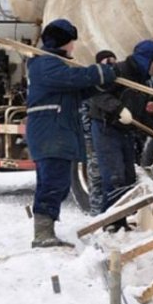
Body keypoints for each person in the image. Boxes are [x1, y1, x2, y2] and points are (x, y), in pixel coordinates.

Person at [26, 18, 116, 248]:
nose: (73, 47)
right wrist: (99, 72)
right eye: (71, 42)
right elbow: (74, 78)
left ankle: (45, 231)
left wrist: (102, 81)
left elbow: (77, 89)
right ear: (63, 42)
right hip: (50, 134)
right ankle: (43, 234)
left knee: (55, 182)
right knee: (53, 182)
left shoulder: (53, 66)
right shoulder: (46, 64)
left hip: (54, 133)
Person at [81, 49, 153, 215]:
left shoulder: (127, 78)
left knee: (125, 176)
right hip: (99, 134)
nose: (110, 63)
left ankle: (121, 217)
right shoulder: (98, 80)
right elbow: (91, 110)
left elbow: (150, 87)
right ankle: (102, 217)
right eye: (106, 61)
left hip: (120, 132)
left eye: (112, 59)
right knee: (103, 178)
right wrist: (116, 111)